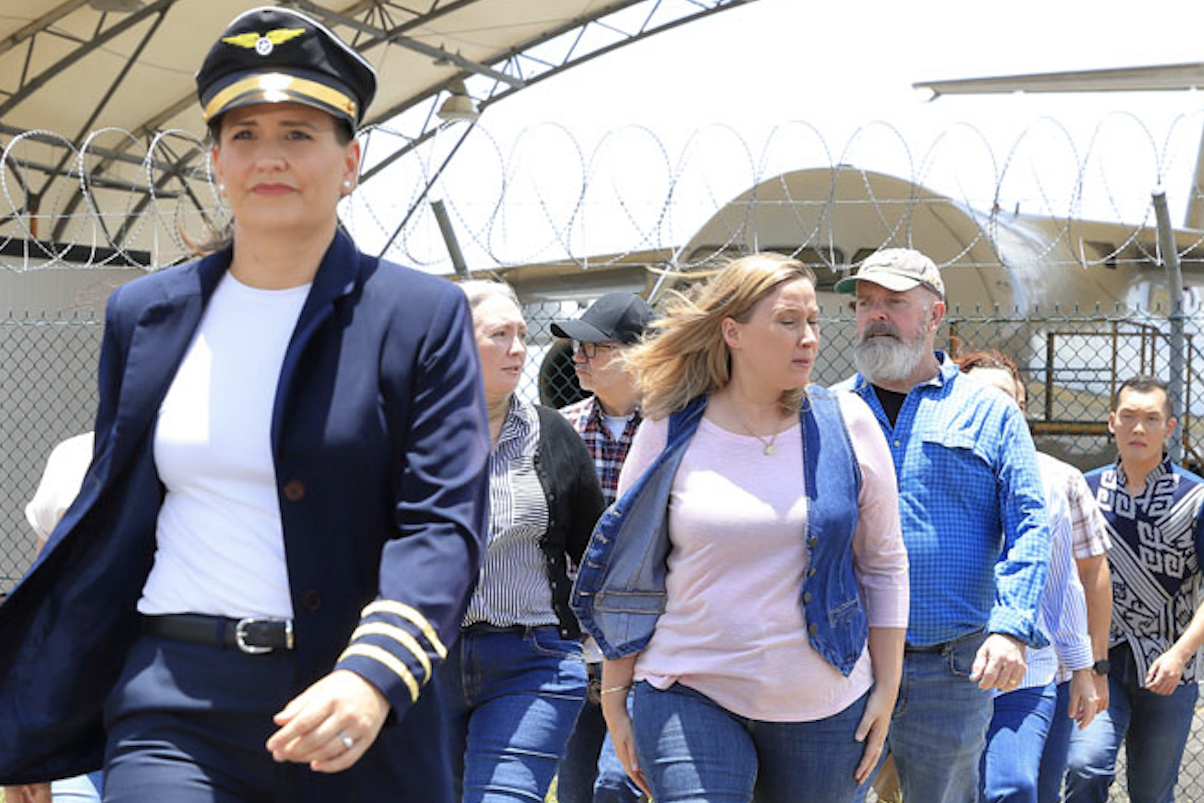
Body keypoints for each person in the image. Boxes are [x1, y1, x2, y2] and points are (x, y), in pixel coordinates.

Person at [0, 8, 491, 802]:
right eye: (245, 135)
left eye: (299, 134)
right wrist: (37, 709)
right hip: (175, 700)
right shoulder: (144, 315)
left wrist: (373, 676)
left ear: (350, 160)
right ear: (217, 162)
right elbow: (109, 513)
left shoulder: (418, 317)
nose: (270, 156)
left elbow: (442, 522)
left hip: (352, 707)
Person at [572, 252, 910, 803]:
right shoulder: (669, 426)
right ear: (733, 331)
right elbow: (628, 566)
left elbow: (884, 563)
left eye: (814, 323)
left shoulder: (848, 423)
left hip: (822, 703)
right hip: (687, 688)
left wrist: (887, 688)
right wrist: (616, 693)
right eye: (787, 322)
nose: (808, 338)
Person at [832, 248, 1051, 803]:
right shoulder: (825, 411)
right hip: (841, 667)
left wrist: (1010, 626)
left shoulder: (989, 412)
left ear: (934, 316)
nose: (875, 314)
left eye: (894, 303)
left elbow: (1030, 523)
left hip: (949, 671)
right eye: (865, 303)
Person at [439, 280, 605, 803]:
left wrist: (599, 651)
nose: (517, 350)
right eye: (499, 335)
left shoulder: (553, 435)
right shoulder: (405, 433)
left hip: (532, 659)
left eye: (521, 335)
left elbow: (599, 553)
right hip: (423, 664)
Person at [955, 351, 1098, 803]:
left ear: (1021, 408)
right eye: (981, 398)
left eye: (1008, 400)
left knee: (1012, 788)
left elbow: (1064, 584)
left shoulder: (1052, 481)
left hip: (1028, 670)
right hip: (946, 672)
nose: (997, 410)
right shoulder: (934, 471)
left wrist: (1082, 668)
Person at [1066, 376, 1204, 803]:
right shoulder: (1083, 491)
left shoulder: (1196, 499)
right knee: (1084, 766)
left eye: (1151, 419)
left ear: (1171, 427)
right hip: (1096, 663)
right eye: (1128, 418)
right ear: (1111, 422)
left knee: (1151, 793)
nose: (1138, 429)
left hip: (1169, 668)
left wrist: (1180, 654)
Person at [552, 291, 653, 803]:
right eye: (577, 345)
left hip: (649, 646)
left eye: (594, 346)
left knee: (618, 784)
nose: (578, 356)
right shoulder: (560, 430)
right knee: (574, 791)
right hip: (574, 643)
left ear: (637, 353)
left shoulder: (676, 430)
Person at [2, 433, 103, 803]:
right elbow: (45, 607)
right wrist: (27, 752)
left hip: (171, 712)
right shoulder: (74, 456)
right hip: (78, 721)